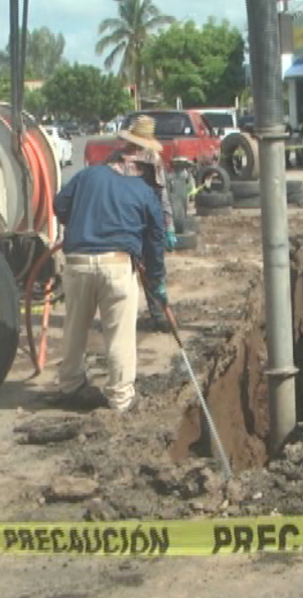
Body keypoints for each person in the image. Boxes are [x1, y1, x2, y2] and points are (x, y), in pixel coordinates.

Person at [52, 136, 167, 412]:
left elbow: (60, 206)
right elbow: (155, 240)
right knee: (119, 335)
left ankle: (70, 386)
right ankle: (121, 397)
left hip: (78, 263)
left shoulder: (88, 175)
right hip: (117, 265)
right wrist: (157, 280)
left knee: (74, 328)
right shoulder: (144, 191)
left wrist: (85, 219)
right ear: (140, 165)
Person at [109, 115, 176, 331]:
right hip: (122, 223)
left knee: (153, 270)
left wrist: (169, 227)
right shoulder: (115, 161)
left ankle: (159, 315)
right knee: (122, 273)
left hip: (148, 221)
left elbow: (161, 194)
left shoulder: (152, 160)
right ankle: (120, 318)